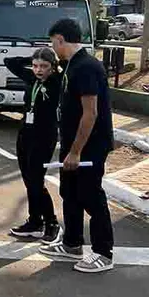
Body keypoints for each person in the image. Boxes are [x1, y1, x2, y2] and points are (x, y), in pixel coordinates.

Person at [40, 19, 115, 273]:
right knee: (69, 192)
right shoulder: (71, 66)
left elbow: (90, 113)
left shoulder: (86, 67)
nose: (53, 48)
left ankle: (104, 253)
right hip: (72, 143)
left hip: (89, 147)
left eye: (53, 43)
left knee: (90, 195)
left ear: (60, 39)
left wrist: (76, 151)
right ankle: (72, 243)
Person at [4, 48, 62, 244]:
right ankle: (35, 221)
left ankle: (52, 222)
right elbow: (9, 62)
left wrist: (54, 59)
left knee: (37, 180)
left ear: (52, 68)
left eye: (44, 66)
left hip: (44, 137)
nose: (38, 70)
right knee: (29, 180)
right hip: (25, 134)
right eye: (36, 66)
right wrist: (33, 57)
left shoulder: (57, 83)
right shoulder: (32, 79)